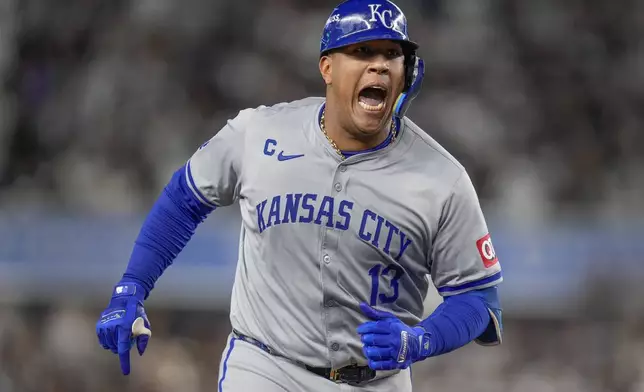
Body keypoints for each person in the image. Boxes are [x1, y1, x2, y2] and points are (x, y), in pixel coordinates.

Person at [95, 0, 504, 390]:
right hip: (265, 365)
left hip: (377, 381)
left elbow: (478, 300)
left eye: (391, 54)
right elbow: (184, 199)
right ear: (327, 67)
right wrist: (132, 285)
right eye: (363, 51)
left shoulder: (443, 178)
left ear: (407, 71)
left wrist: (421, 341)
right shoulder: (259, 133)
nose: (379, 64)